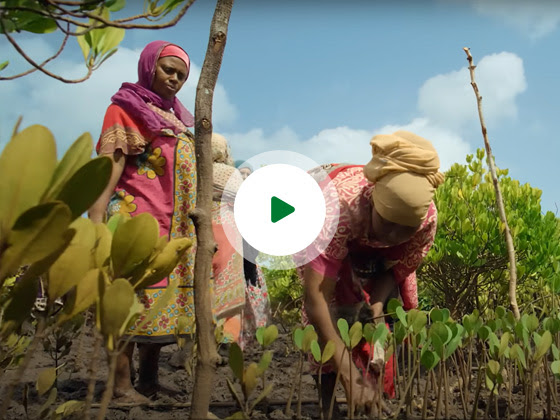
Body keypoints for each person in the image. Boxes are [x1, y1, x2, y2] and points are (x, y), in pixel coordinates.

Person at [301, 130, 444, 416]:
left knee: (384, 317)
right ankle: (329, 402)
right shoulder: (335, 211)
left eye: (404, 229)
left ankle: (376, 395)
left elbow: (395, 273)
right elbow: (315, 298)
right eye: (388, 223)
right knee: (333, 311)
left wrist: (376, 306)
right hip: (323, 217)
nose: (392, 236)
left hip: (374, 252)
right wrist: (350, 378)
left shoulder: (426, 221)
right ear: (374, 204)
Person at [88, 40, 196, 403]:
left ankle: (148, 381)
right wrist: (97, 216)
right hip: (134, 221)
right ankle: (120, 385)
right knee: (126, 304)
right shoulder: (125, 109)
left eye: (182, 75)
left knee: (160, 306)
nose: (175, 79)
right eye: (168, 70)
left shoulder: (179, 118)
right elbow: (112, 164)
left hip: (172, 227)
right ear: (149, 66)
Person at [212, 135, 270, 347]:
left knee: (247, 294)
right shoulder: (231, 185)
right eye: (242, 173)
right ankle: (230, 338)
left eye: (248, 174)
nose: (245, 177)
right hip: (232, 247)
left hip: (247, 254)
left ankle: (248, 338)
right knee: (231, 292)